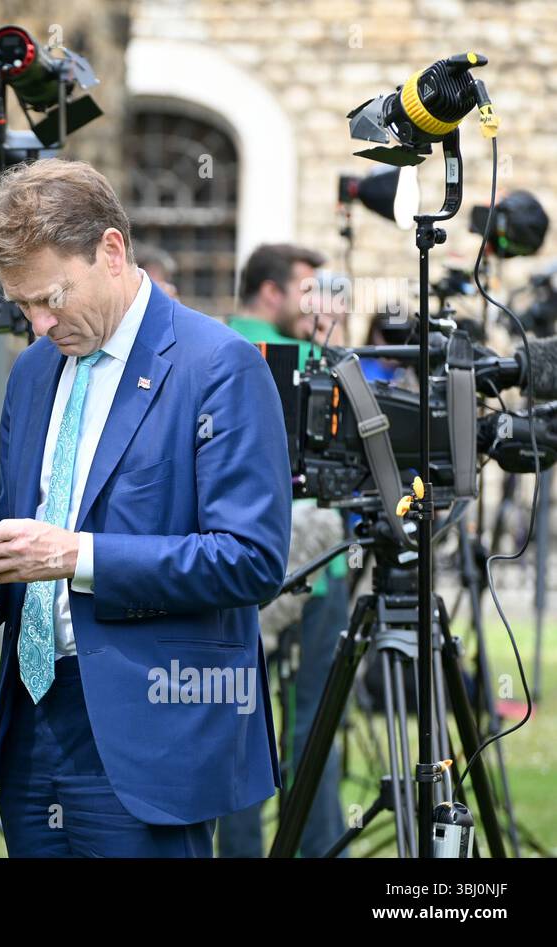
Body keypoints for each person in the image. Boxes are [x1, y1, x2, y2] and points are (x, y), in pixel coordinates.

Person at [0, 158, 291, 857]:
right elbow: (26, 519)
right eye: (21, 306)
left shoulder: (220, 365)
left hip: (153, 731)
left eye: (49, 298)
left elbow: (251, 559)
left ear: (110, 250)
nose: (38, 324)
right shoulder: (31, 371)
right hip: (31, 722)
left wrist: (74, 555)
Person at [220, 242, 349, 857]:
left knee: (239, 727)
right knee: (317, 723)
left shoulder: (210, 350)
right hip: (315, 570)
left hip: (232, 571)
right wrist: (331, 348)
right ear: (271, 292)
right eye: (307, 289)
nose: (318, 302)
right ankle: (319, 849)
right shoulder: (302, 360)